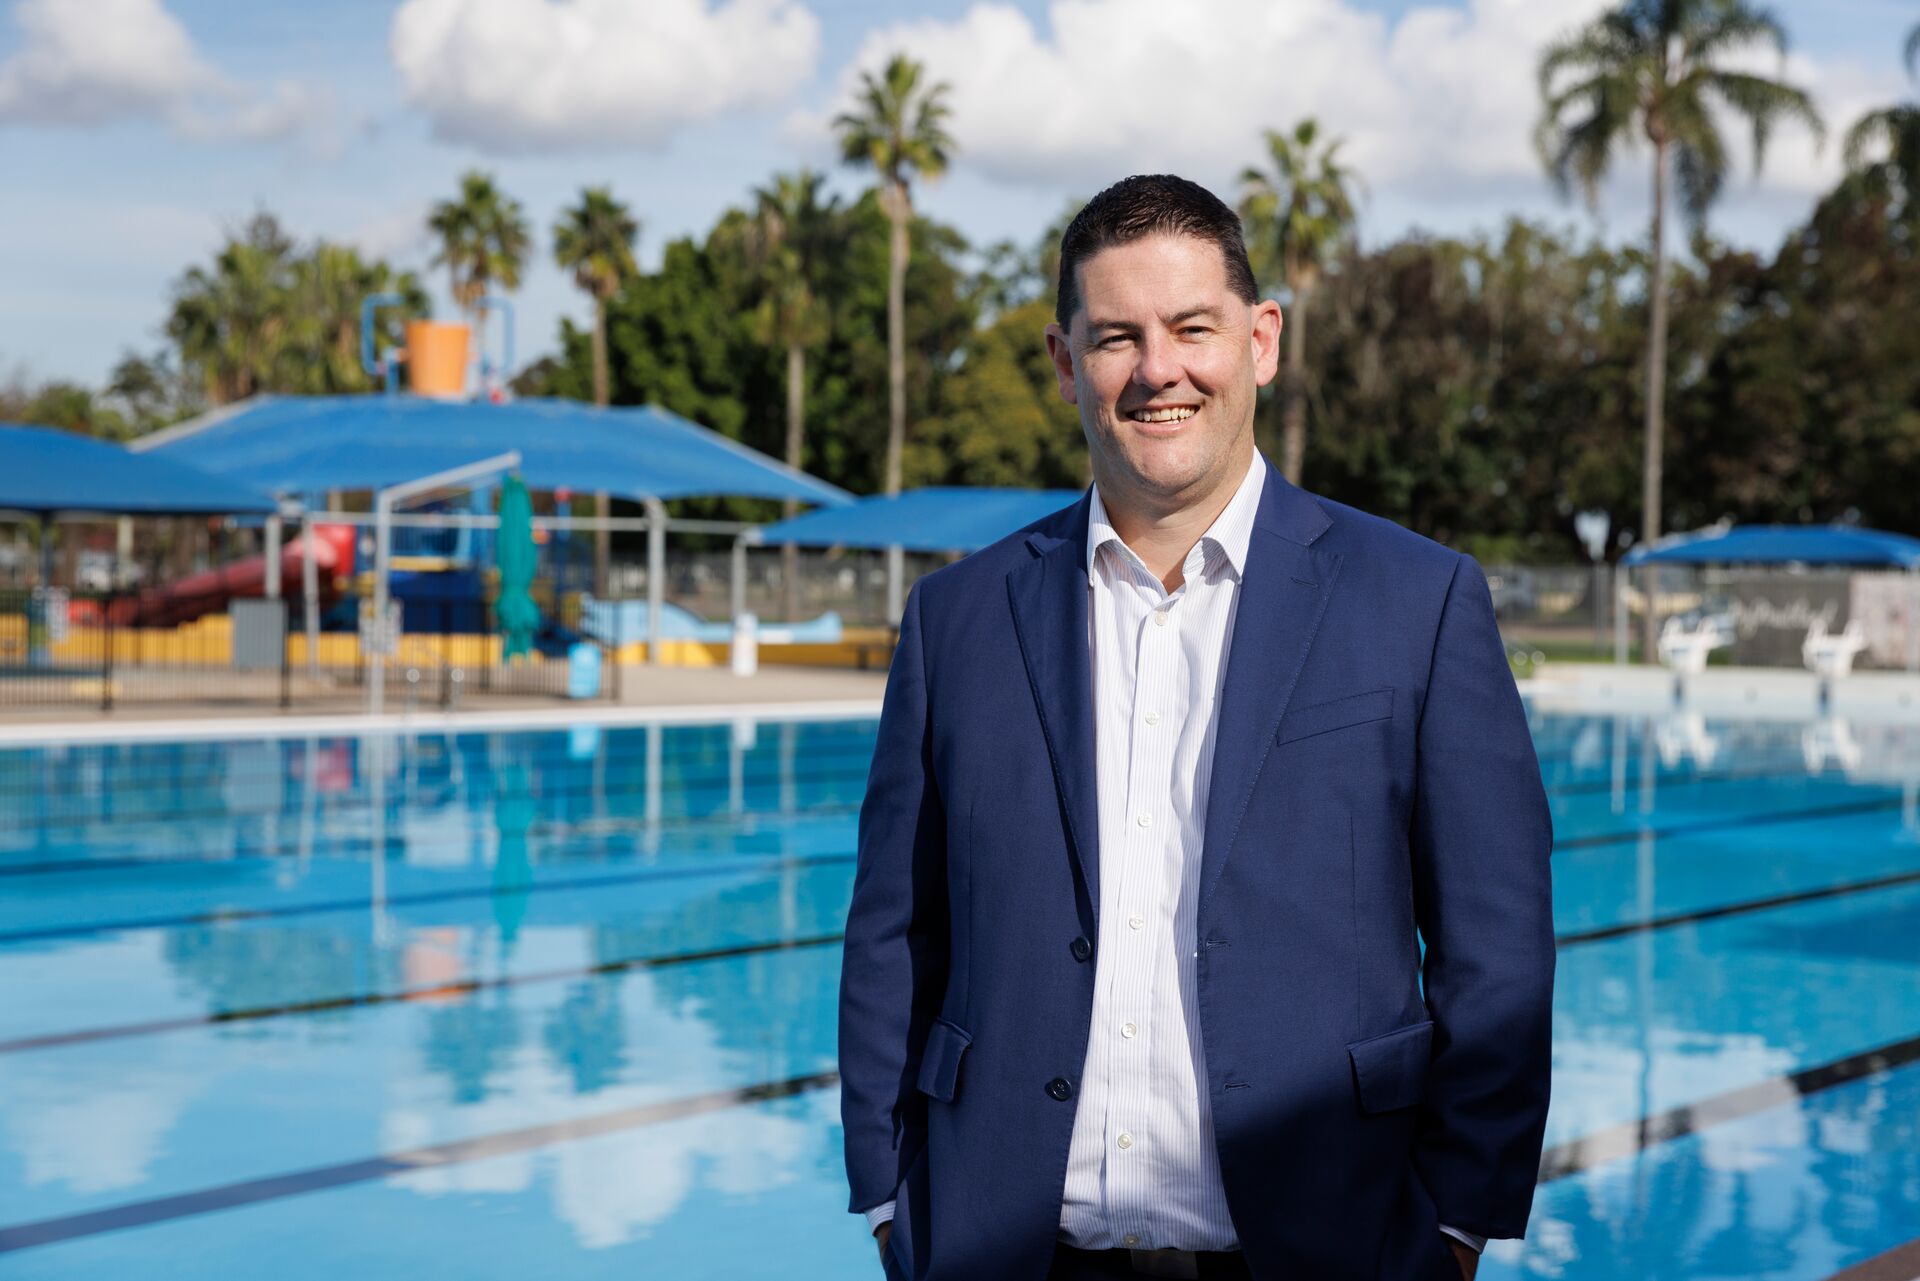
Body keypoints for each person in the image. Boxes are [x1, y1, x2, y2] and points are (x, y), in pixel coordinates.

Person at [839, 174, 1554, 1281]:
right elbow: (893, 933)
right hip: (1007, 1250)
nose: (1157, 369)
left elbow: (1496, 949)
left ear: (1261, 340)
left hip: (1328, 1246)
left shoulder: (1417, 603)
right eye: (1117, 337)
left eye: (1192, 328)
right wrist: (892, 1204)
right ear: (1066, 363)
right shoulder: (958, 620)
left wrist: (1458, 1225)